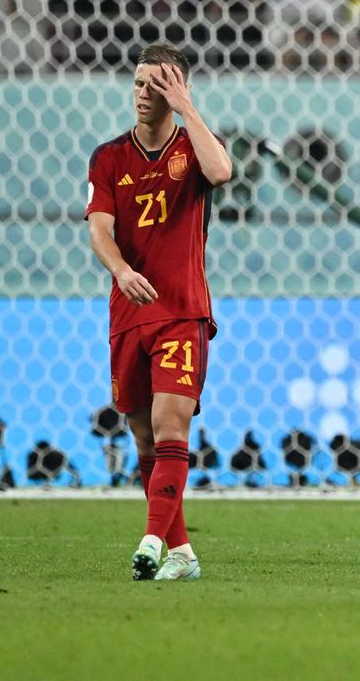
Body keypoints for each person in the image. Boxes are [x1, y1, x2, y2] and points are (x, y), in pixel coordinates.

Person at [85, 43, 234, 584]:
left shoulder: (194, 148)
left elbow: (222, 172)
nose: (143, 93)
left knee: (172, 423)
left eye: (156, 84)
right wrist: (121, 271)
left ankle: (150, 540)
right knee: (144, 438)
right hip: (129, 312)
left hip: (181, 310)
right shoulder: (108, 157)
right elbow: (98, 229)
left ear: (176, 90)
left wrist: (189, 108)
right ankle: (183, 553)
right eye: (138, 82)